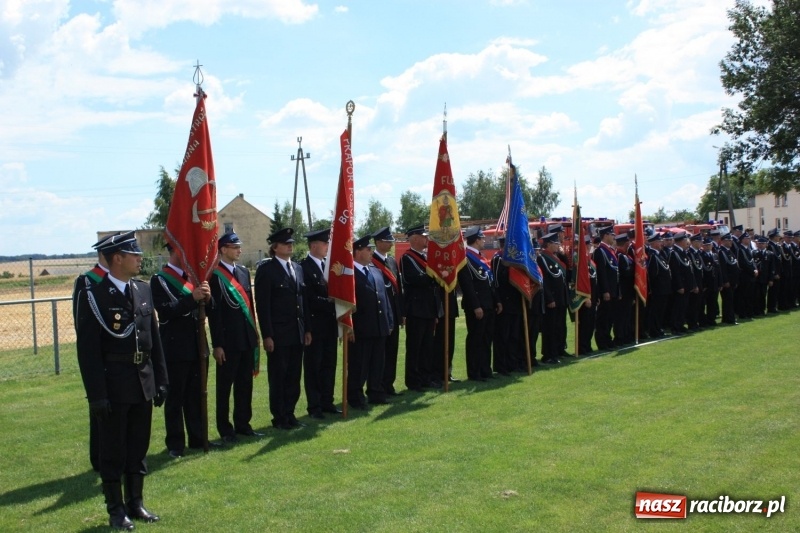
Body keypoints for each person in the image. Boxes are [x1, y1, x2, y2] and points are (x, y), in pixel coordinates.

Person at [75, 232, 168, 530]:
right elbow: (88, 350)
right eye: (134, 254)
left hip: (142, 381)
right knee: (113, 450)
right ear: (117, 258)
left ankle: (136, 503)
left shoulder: (141, 290)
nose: (140, 258)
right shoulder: (94, 293)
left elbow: (154, 339)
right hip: (113, 384)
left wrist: (161, 379)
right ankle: (116, 510)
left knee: (138, 448)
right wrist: (96, 396)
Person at [150, 242, 212, 457]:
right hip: (175, 348)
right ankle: (175, 444)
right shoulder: (159, 280)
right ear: (175, 251)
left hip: (198, 346)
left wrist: (207, 297)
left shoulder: (194, 278)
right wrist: (191, 298)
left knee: (197, 397)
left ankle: (198, 438)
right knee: (175, 399)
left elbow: (208, 311)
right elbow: (166, 312)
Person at [254, 227, 312, 429]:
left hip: (297, 331)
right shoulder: (267, 270)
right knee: (279, 376)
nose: (290, 246)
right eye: (285, 243)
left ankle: (290, 413)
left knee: (294, 376)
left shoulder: (297, 268)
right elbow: (263, 306)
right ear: (275, 247)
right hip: (279, 334)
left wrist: (307, 329)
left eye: (291, 243)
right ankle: (279, 416)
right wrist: (268, 335)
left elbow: (303, 301)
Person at [72, 232, 119, 472]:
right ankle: (99, 458)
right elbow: (83, 323)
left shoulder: (120, 279)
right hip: (100, 355)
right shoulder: (87, 281)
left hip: (120, 355)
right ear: (104, 255)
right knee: (100, 408)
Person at [208, 232, 261, 442]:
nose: (239, 249)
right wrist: (218, 344)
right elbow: (215, 313)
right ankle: (225, 429)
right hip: (228, 342)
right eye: (234, 246)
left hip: (246, 338)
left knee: (245, 384)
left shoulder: (243, 272)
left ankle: (243, 424)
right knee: (224, 387)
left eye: (239, 246)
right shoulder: (214, 276)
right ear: (223, 250)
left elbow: (249, 307)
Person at [348, 235, 394, 408]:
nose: (371, 252)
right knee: (359, 365)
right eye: (368, 249)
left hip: (379, 326)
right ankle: (355, 397)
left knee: (377, 363)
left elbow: (384, 298)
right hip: (361, 328)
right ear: (357, 252)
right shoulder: (349, 274)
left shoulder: (375, 270)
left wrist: (388, 321)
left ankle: (376, 392)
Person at [299, 228, 339, 419]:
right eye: (325, 244)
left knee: (329, 364)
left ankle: (327, 401)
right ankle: (314, 406)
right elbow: (309, 299)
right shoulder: (304, 267)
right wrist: (332, 304)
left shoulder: (328, 265)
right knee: (314, 367)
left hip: (330, 325)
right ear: (313, 245)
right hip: (315, 325)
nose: (327, 248)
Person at [400, 225, 442, 391]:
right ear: (414, 238)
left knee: (427, 346)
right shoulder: (407, 258)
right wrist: (434, 275)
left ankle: (426, 377)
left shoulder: (424, 257)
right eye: (423, 237)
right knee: (415, 347)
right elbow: (415, 279)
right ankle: (414, 380)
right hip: (416, 309)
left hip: (428, 308)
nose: (426, 240)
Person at [458, 227, 501, 381]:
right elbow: (467, 285)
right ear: (476, 239)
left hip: (488, 304)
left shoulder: (480, 257)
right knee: (476, 339)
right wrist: (476, 306)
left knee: (486, 339)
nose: (484, 241)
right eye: (482, 239)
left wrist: (497, 301)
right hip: (476, 306)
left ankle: (485, 370)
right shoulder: (465, 258)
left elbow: (489, 282)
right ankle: (474, 372)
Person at [371, 227, 405, 395]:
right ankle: (379, 386)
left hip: (393, 314)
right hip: (380, 315)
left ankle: (389, 384)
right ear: (378, 243)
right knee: (380, 354)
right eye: (387, 240)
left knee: (392, 352)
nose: (390, 243)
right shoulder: (371, 262)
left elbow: (397, 290)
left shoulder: (391, 261)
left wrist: (401, 314)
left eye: (391, 240)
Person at [537, 233, 569, 364]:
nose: (558, 245)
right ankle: (549, 354)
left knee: (560, 326)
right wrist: (549, 299)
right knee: (550, 328)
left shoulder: (556, 257)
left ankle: (559, 349)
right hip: (552, 299)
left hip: (561, 298)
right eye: (556, 243)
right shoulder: (542, 258)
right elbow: (544, 281)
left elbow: (565, 274)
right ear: (549, 244)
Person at [592, 226, 619, 349]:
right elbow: (601, 273)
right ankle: (602, 341)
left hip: (613, 289)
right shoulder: (600, 251)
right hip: (606, 291)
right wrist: (605, 290)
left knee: (610, 317)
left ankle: (608, 339)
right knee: (603, 318)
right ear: (606, 235)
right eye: (612, 234)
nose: (614, 237)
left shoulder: (610, 250)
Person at [646, 233, 671, 338]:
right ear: (654, 243)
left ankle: (658, 328)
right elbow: (652, 274)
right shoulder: (652, 255)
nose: (661, 243)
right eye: (659, 242)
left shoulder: (659, 254)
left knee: (661, 310)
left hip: (664, 288)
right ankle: (654, 330)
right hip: (658, 289)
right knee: (656, 311)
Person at [718, 233, 739, 325]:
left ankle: (728, 317)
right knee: (727, 300)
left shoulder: (729, 251)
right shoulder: (721, 252)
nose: (730, 242)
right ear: (722, 241)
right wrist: (725, 281)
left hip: (733, 280)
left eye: (731, 240)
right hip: (728, 281)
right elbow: (722, 268)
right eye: (728, 240)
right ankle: (729, 318)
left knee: (731, 300)